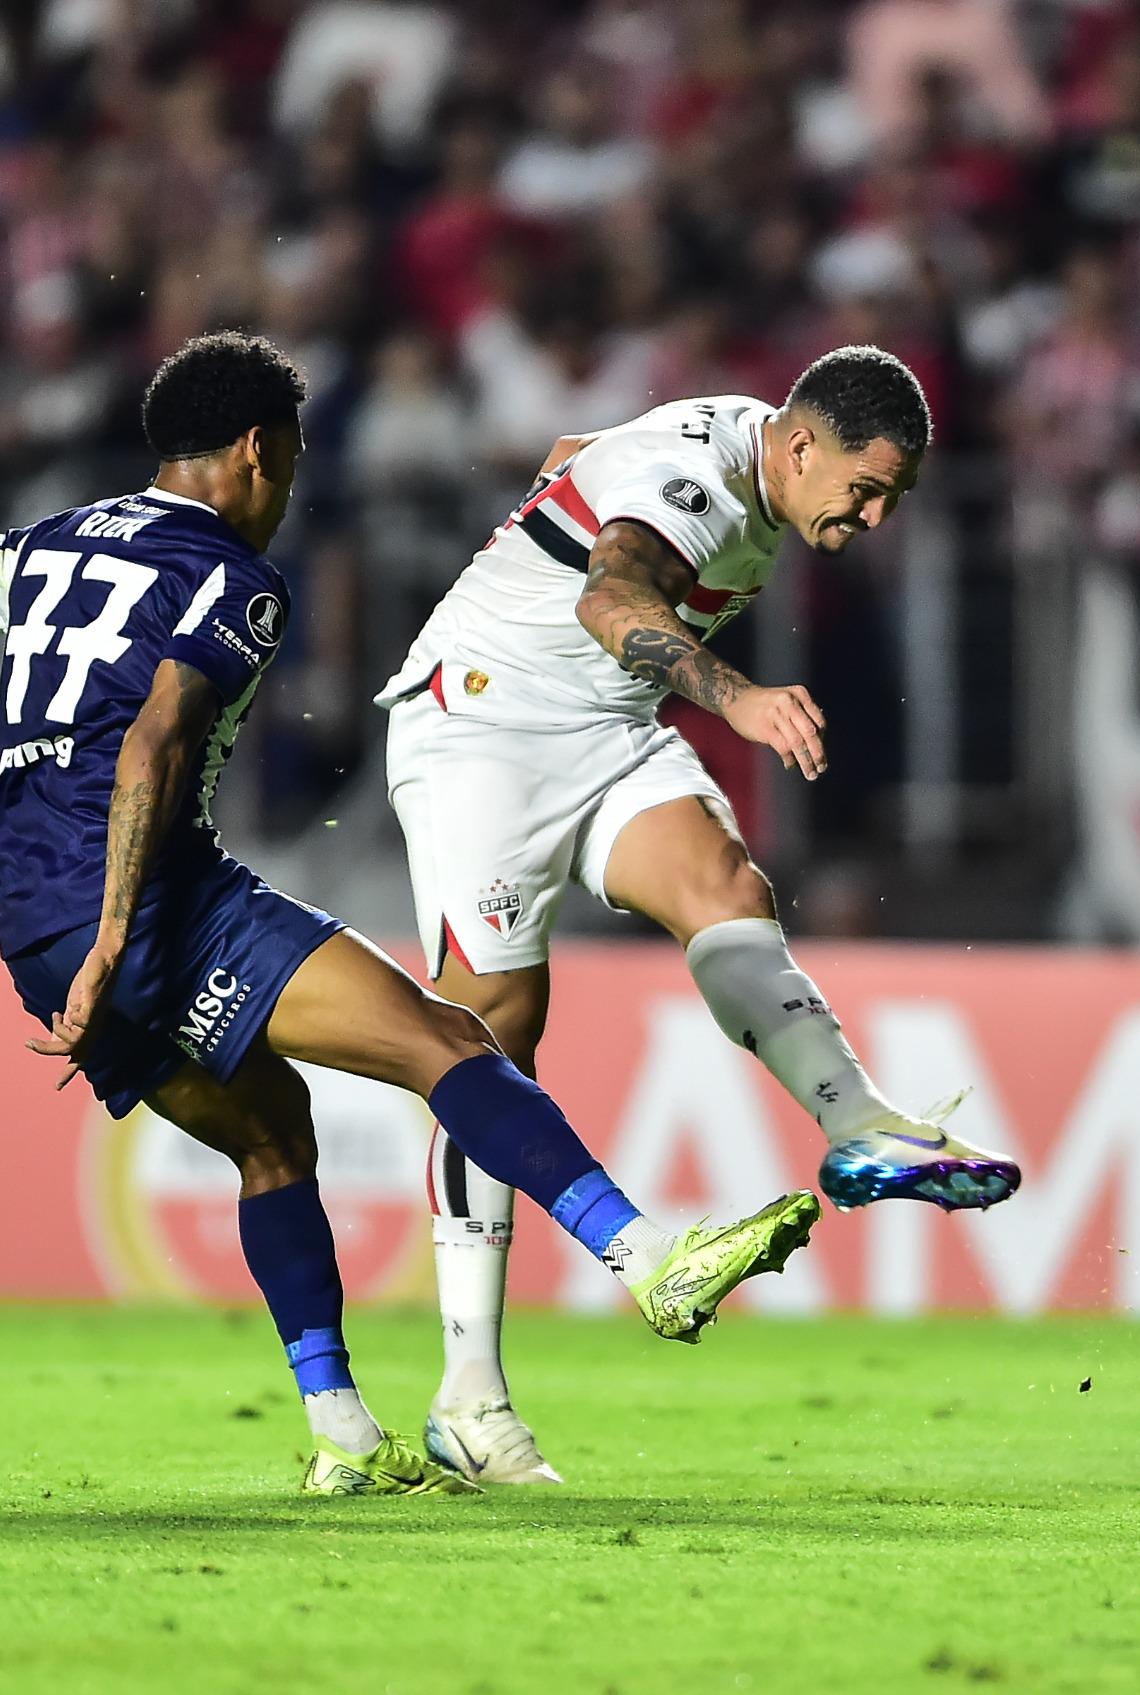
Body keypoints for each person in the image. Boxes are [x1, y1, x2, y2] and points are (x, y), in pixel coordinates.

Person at [0, 332, 818, 1496]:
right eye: (285, 463)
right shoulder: (235, 579)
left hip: (30, 928)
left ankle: (340, 1426)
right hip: (155, 905)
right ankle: (651, 1258)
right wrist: (125, 936)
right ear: (253, 450)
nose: (285, 494)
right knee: (451, 1041)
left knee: (271, 1134)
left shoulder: (46, 541)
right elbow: (154, 741)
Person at [379, 344, 1021, 1485]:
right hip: (480, 731)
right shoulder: (713, 474)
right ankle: (468, 1394)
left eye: (892, 501)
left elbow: (582, 456)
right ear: (802, 443)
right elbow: (608, 591)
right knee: (487, 1041)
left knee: (728, 888)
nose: (872, 517)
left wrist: (558, 489)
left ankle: (860, 1123)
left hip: (604, 729)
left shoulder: (747, 449)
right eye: (864, 489)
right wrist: (740, 695)